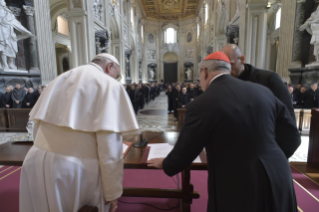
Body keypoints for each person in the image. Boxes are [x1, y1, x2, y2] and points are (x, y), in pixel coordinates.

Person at [148, 52, 300, 212]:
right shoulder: (263, 92)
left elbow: (186, 150)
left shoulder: (202, 103)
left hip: (238, 182)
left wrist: (167, 164)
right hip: (279, 176)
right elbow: (293, 137)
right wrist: (272, 159)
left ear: (204, 71)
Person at [20, 53, 139, 212]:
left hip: (34, 159)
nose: (116, 80)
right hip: (71, 170)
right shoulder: (108, 85)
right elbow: (109, 146)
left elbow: (38, 123)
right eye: (116, 76)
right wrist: (112, 192)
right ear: (110, 66)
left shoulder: (61, 78)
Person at [221, 44, 295, 120]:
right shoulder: (223, 83)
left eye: (231, 65)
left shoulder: (269, 79)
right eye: (223, 66)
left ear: (242, 59)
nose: (227, 71)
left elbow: (287, 114)